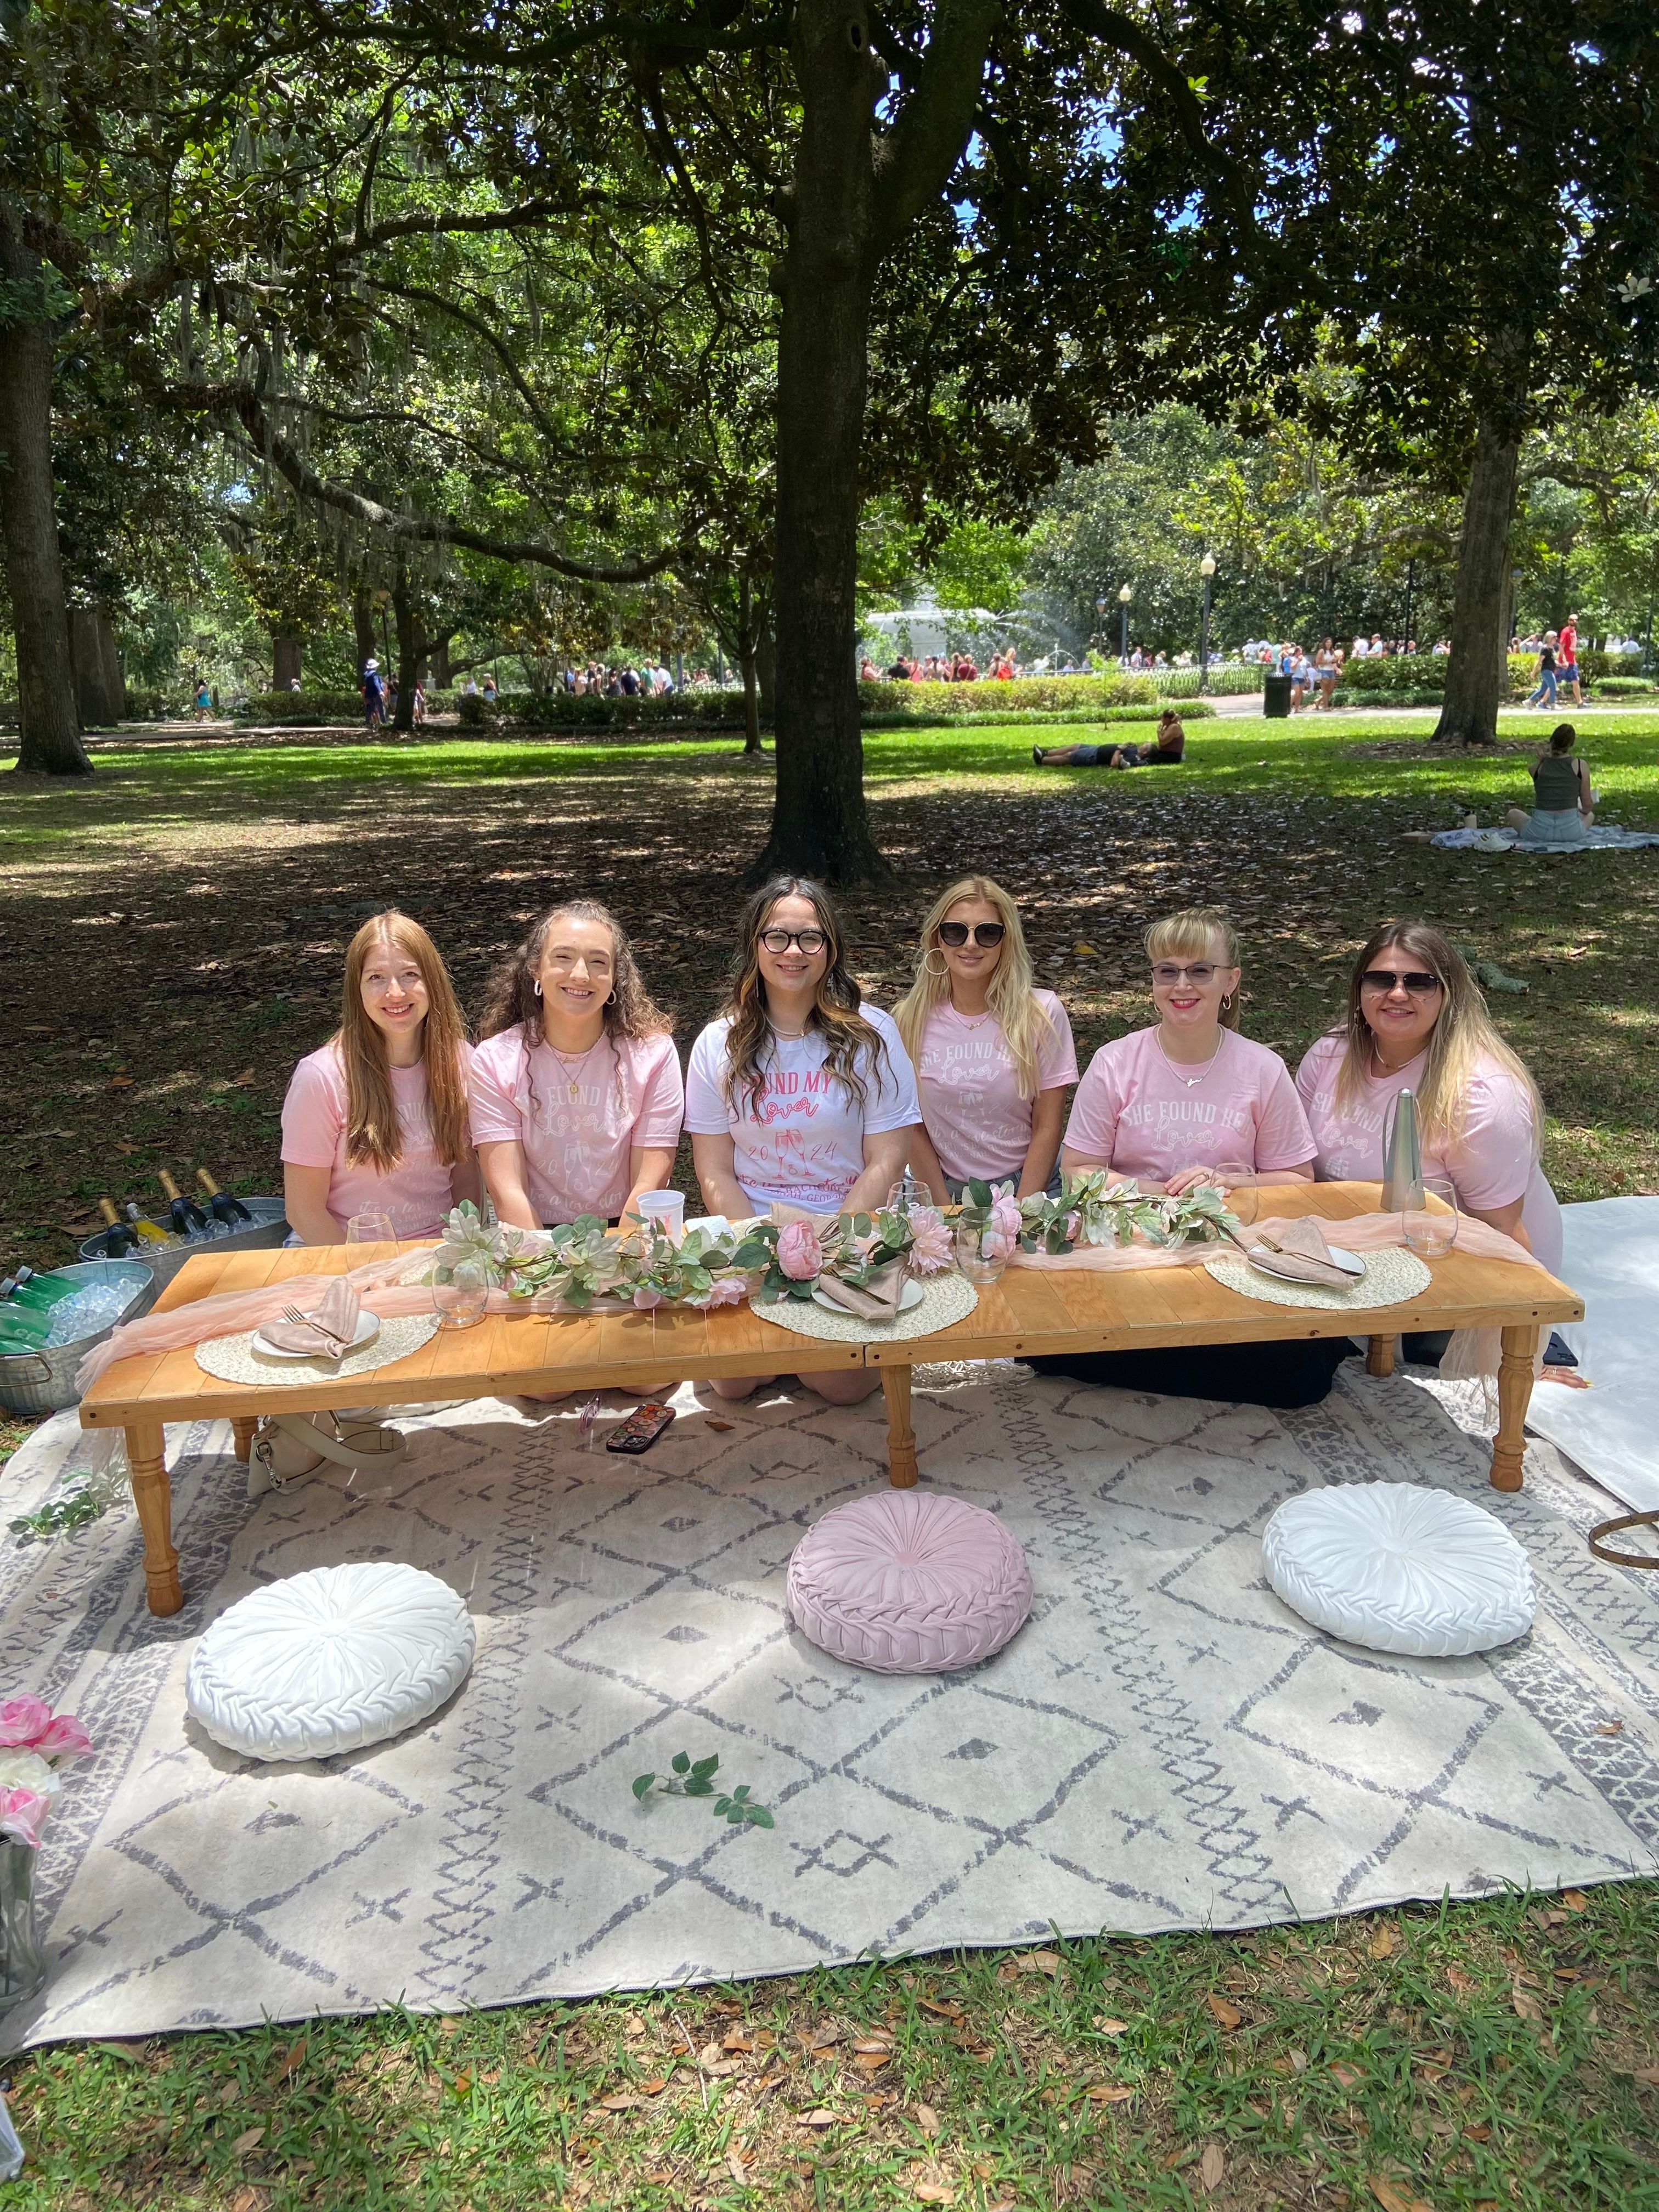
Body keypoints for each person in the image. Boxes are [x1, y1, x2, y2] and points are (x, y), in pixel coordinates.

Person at [1028, 907, 1343, 1407]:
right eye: (1167, 971)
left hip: (1229, 1249)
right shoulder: (1115, 1062)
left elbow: (1298, 1177)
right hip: (1127, 1245)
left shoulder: (1262, 1068)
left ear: (1231, 981)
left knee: (1303, 1377)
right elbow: (1077, 1171)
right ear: (1153, 981)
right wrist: (1162, 1192)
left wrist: (1227, 1183)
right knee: (1041, 1329)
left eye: (1200, 970)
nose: (1183, 985)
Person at [685, 876, 921, 1405]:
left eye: (810, 938)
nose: (794, 951)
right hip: (756, 1228)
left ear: (831, 949)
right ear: (754, 946)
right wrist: (762, 1252)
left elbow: (887, 1159)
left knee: (840, 1386)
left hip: (848, 1226)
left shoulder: (873, 1034)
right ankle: (787, 1333)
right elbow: (715, 1170)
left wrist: (830, 1249)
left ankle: (812, 1337)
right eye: (777, 937)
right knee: (733, 1384)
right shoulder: (715, 1044)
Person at [1296, 923, 1563, 1362]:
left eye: (1419, 983)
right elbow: (1298, 1165)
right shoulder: (1331, 1053)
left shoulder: (1482, 1093)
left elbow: (1503, 1232)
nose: (1397, 994)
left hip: (1453, 1260)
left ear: (1449, 994)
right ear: (1359, 991)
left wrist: (1522, 1341)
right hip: (1357, 1249)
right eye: (1381, 979)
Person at [469, 900, 683, 1231]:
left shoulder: (653, 1054)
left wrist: (618, 1262)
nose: (581, 975)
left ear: (615, 978)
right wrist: (542, 1267)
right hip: (533, 1234)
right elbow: (507, 1190)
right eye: (563, 958)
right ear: (536, 969)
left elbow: (649, 1183)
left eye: (598, 962)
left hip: (629, 1229)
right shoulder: (494, 1060)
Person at [281, 912, 478, 1243]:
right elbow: (304, 1211)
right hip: (343, 1254)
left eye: (410, 974)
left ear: (433, 982)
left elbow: (466, 1178)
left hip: (436, 1252)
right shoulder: (321, 1078)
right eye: (376, 978)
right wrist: (365, 1275)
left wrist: (465, 1250)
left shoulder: (462, 1062)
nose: (396, 992)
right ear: (356, 989)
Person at [893, 874, 1077, 1203]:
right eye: (955, 931)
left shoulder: (1042, 1012)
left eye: (988, 932)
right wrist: (943, 1210)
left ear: (1007, 941)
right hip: (944, 1188)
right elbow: (913, 1127)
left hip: (1032, 1186)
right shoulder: (909, 1018)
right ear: (937, 938)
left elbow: (1048, 1127)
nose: (970, 944)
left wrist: (1023, 1212)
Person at [1504, 722, 1594, 848]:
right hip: (1570, 833)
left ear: (1551, 742)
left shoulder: (1536, 768)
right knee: (1590, 815)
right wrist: (1578, 810)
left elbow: (1545, 770)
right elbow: (1587, 805)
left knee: (1513, 813)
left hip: (1538, 832)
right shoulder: (1581, 766)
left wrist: (1543, 760)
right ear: (1571, 744)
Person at [1034, 709, 1184, 770]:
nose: (1142, 745)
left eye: (1144, 745)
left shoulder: (1134, 757)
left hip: (1096, 757)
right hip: (1098, 748)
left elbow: (1114, 763)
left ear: (1145, 751)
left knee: (1069, 757)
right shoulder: (1134, 749)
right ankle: (1047, 752)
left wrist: (1120, 749)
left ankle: (1043, 760)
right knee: (1075, 746)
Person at [1526, 633, 1559, 710]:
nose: (1556, 639)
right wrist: (1533, 672)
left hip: (1550, 671)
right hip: (1547, 671)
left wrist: (1560, 665)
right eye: (1554, 637)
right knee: (1553, 687)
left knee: (1543, 690)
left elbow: (1553, 660)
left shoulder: (1552, 648)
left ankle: (1529, 701)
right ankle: (1553, 704)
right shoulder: (1545, 649)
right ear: (1549, 638)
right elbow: (1539, 661)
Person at [1558, 612, 1582, 705]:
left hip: (1572, 662)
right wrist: (1564, 660)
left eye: (1576, 620)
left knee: (1576, 681)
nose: (1574, 621)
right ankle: (1542, 701)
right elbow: (1561, 647)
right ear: (1569, 621)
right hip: (1564, 663)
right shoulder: (1566, 631)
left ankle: (1580, 703)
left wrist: (1574, 660)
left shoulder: (1574, 632)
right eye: (1572, 620)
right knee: (1555, 682)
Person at [1312, 636, 1341, 709]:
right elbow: (1318, 662)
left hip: (1331, 671)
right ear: (1324, 643)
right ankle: (1326, 707)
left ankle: (1318, 701)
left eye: (1330, 642)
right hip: (1323, 671)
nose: (1329, 643)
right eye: (1327, 642)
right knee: (1325, 689)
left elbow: (1334, 661)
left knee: (1331, 690)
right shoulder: (1321, 651)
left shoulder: (1332, 651)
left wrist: (1337, 660)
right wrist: (1328, 662)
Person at [362, 659, 386, 728]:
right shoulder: (374, 674)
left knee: (370, 709)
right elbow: (377, 683)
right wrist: (381, 692)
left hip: (368, 694)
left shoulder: (366, 674)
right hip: (376, 693)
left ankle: (368, 723)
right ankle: (383, 723)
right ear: (375, 667)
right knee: (380, 708)